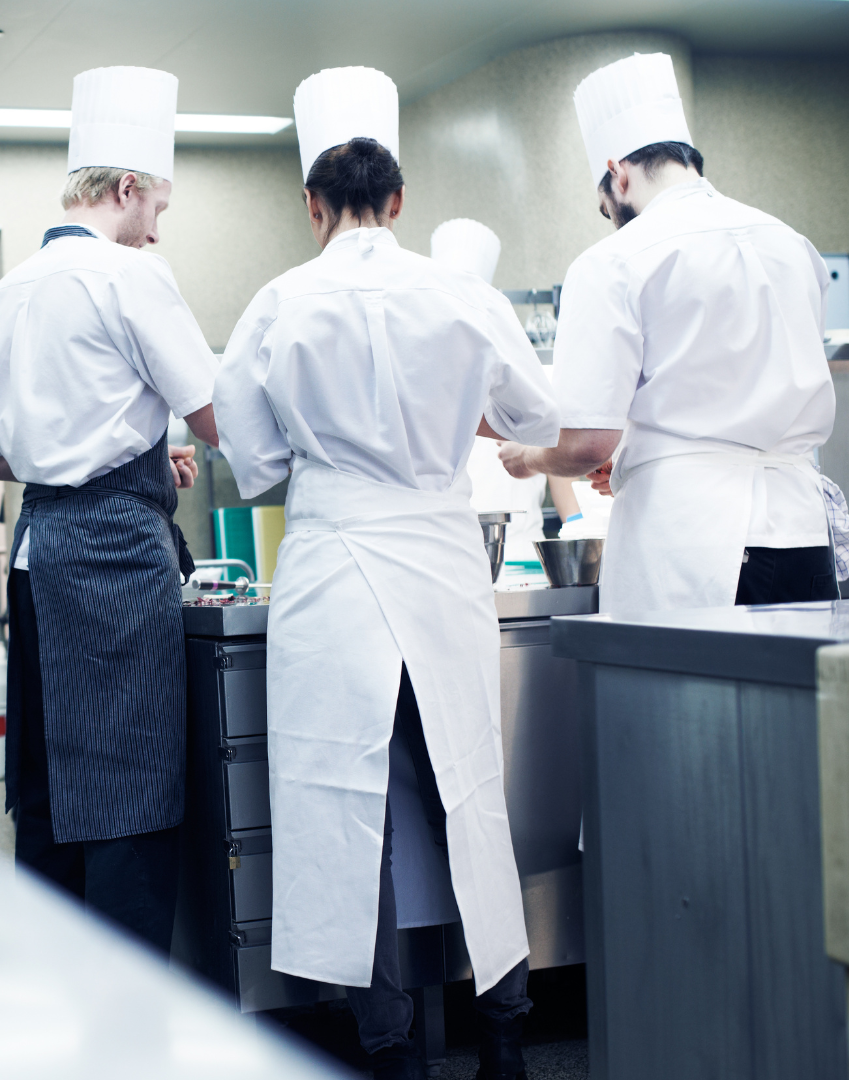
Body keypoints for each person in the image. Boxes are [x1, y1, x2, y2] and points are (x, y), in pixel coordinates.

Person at [214, 66, 557, 1080]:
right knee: (469, 795)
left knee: (337, 812)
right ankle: (506, 1037)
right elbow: (540, 415)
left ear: (312, 206)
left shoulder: (277, 302)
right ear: (399, 202)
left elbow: (258, 461)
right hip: (441, 557)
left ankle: (388, 1048)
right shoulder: (461, 294)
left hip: (330, 558)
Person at [0, 65, 219, 953]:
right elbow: (220, 414)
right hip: (115, 558)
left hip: (38, 555)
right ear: (125, 189)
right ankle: (129, 1019)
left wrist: (125, 443)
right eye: (158, 202)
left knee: (46, 784)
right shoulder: (130, 277)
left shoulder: (6, 295)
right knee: (129, 784)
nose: (160, 223)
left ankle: (56, 989)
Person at [497, 52, 837, 612]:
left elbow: (586, 443)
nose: (610, 218)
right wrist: (641, 453)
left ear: (619, 173)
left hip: (696, 545)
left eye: (606, 206)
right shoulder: (791, 243)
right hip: (802, 533)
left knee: (688, 699)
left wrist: (529, 457)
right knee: (791, 699)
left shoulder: (614, 260)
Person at [434, 218, 550, 569]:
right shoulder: (424, 376)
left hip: (524, 551)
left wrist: (575, 522)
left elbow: (551, 436)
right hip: (448, 552)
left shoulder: (520, 368)